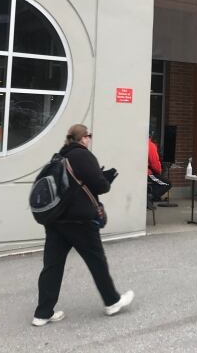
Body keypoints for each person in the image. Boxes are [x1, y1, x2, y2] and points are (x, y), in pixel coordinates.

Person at [33, 124, 133, 327]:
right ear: (83, 138)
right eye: (89, 136)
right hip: (80, 221)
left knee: (52, 266)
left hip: (56, 220)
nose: (89, 139)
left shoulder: (59, 157)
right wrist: (107, 178)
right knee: (96, 261)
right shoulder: (83, 155)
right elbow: (101, 186)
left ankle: (42, 313)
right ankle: (112, 301)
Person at [147, 136, 171, 202]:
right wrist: (159, 171)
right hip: (148, 173)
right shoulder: (150, 145)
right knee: (167, 184)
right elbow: (154, 163)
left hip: (141, 172)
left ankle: (153, 197)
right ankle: (149, 198)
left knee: (158, 182)